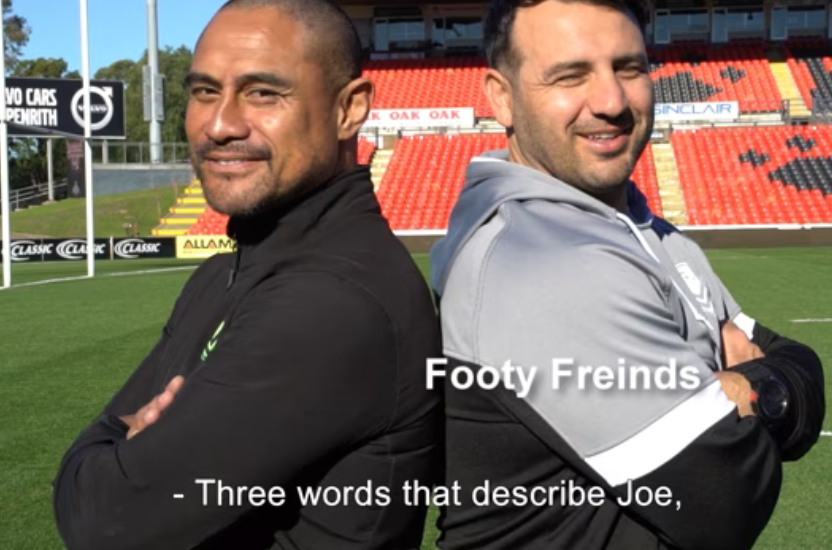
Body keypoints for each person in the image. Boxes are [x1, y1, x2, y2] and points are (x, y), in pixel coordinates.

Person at [430, 1, 825, 549]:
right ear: (502, 97)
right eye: (570, 75)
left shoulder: (653, 230)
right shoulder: (545, 260)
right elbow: (727, 497)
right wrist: (773, 385)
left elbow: (799, 361)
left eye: (630, 68)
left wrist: (751, 389)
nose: (612, 101)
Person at [53, 1, 441, 548]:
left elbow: (102, 521)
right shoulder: (221, 273)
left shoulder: (334, 302)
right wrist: (114, 451)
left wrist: (102, 452)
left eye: (263, 93)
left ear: (349, 109)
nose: (219, 124)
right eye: (205, 91)